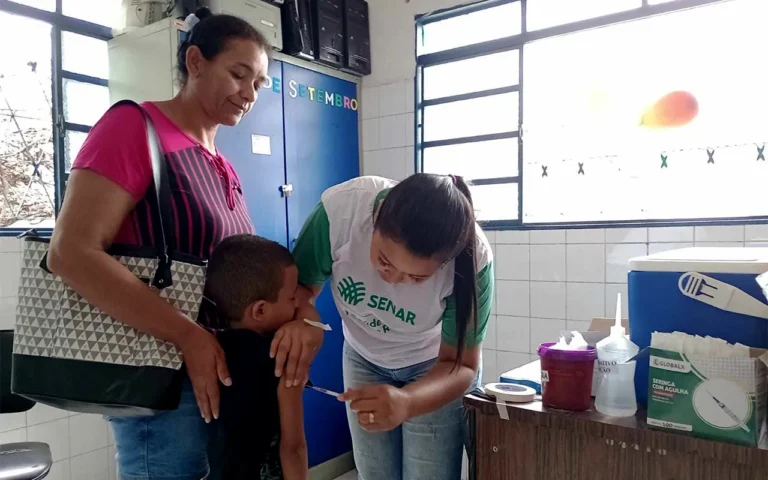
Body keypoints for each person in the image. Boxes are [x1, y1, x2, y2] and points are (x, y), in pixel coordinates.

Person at [47, 9, 322, 480]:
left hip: (219, 382)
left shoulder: (221, 164)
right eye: (238, 75)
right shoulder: (134, 129)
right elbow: (70, 253)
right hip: (163, 385)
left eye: (258, 84)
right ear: (195, 61)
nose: (249, 94)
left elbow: (247, 279)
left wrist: (306, 322)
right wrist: (188, 336)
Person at [291, 174, 494, 480]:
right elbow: (299, 288)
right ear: (376, 217)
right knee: (375, 473)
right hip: (363, 355)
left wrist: (409, 401)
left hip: (435, 367)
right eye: (384, 261)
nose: (394, 280)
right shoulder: (341, 213)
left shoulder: (473, 259)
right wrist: (306, 322)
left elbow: (461, 364)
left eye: (417, 278)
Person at [204, 234, 307, 480]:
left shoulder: (210, 352)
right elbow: (293, 448)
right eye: (292, 297)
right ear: (260, 310)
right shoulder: (282, 359)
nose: (296, 306)